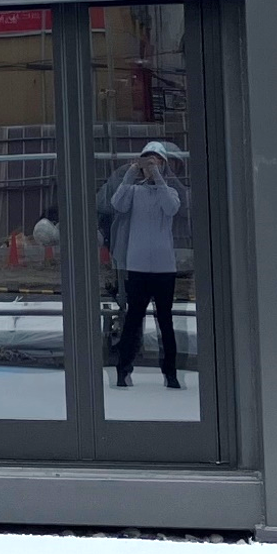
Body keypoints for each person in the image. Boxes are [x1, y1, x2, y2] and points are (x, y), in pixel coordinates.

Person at [111, 142, 183, 390]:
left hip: (164, 268)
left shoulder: (169, 192)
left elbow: (171, 208)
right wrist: (130, 174)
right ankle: (123, 370)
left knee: (165, 321)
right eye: (147, 161)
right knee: (133, 320)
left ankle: (170, 373)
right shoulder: (133, 191)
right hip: (138, 266)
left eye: (156, 162)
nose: (150, 167)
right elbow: (117, 204)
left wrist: (159, 179)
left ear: (164, 165)